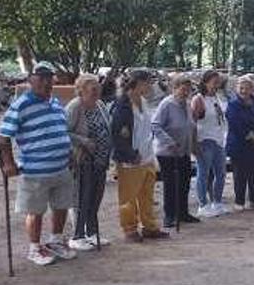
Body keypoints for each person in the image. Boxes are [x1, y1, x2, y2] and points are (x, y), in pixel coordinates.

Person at [0, 62, 78, 265]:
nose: (46, 82)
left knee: (61, 206)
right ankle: (34, 248)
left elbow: (61, 131)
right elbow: (4, 138)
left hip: (61, 168)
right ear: (30, 80)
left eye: (49, 77)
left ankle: (56, 241)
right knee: (35, 210)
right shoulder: (20, 105)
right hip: (35, 170)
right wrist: (8, 163)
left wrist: (69, 153)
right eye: (41, 77)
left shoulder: (55, 102)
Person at [111, 69, 168, 242]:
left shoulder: (142, 101)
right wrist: (129, 154)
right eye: (149, 82)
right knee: (128, 198)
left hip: (147, 157)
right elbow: (118, 135)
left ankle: (149, 226)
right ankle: (129, 228)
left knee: (147, 196)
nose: (151, 86)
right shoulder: (122, 106)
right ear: (139, 83)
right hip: (131, 160)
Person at [66, 74, 112, 251]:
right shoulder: (75, 107)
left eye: (97, 88)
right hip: (83, 160)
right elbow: (64, 132)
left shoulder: (100, 105)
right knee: (82, 198)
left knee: (95, 198)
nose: (96, 91)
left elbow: (107, 128)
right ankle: (77, 235)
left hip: (100, 160)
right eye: (92, 88)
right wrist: (83, 141)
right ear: (81, 90)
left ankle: (92, 232)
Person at [153, 74, 199, 228]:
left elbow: (190, 126)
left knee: (184, 183)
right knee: (171, 184)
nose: (186, 92)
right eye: (183, 89)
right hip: (168, 152)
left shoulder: (186, 104)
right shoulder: (167, 104)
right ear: (174, 88)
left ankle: (183, 212)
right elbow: (155, 125)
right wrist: (168, 141)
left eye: (188, 90)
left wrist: (193, 145)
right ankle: (169, 215)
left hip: (183, 151)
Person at [226, 76, 254, 210]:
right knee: (240, 174)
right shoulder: (233, 104)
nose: (244, 91)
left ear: (252, 89)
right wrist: (250, 135)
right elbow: (234, 123)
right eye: (241, 88)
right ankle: (239, 202)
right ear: (236, 88)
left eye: (247, 88)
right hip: (240, 144)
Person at [191, 70, 229, 218]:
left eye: (218, 82)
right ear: (205, 82)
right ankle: (203, 204)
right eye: (214, 82)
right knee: (203, 173)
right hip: (205, 140)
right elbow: (192, 122)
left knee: (221, 173)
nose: (216, 85)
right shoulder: (198, 99)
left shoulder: (216, 98)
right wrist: (194, 143)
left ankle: (217, 202)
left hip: (219, 140)